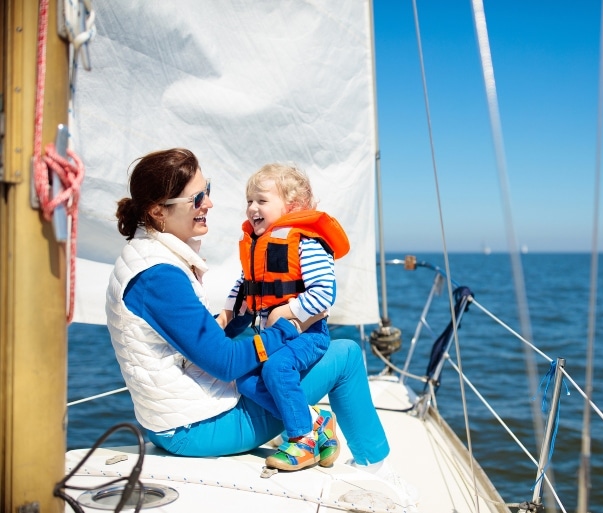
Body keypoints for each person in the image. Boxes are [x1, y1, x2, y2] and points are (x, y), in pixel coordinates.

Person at [105, 148, 405, 484]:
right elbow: (226, 363)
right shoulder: (159, 276)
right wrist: (286, 329)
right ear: (158, 211)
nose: (209, 203)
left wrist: (231, 320)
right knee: (347, 353)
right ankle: (375, 470)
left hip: (171, 419)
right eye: (197, 198)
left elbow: (202, 340)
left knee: (266, 369)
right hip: (195, 428)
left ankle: (314, 421)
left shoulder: (143, 258)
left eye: (209, 191)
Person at [217, 163, 350, 471]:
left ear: (292, 206)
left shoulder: (305, 242)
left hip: (308, 335)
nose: (252, 208)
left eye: (261, 201)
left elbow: (324, 294)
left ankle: (302, 439)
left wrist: (287, 311)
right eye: (249, 201)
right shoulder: (259, 246)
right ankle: (317, 419)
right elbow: (244, 286)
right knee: (246, 378)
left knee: (276, 368)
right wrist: (225, 315)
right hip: (272, 336)